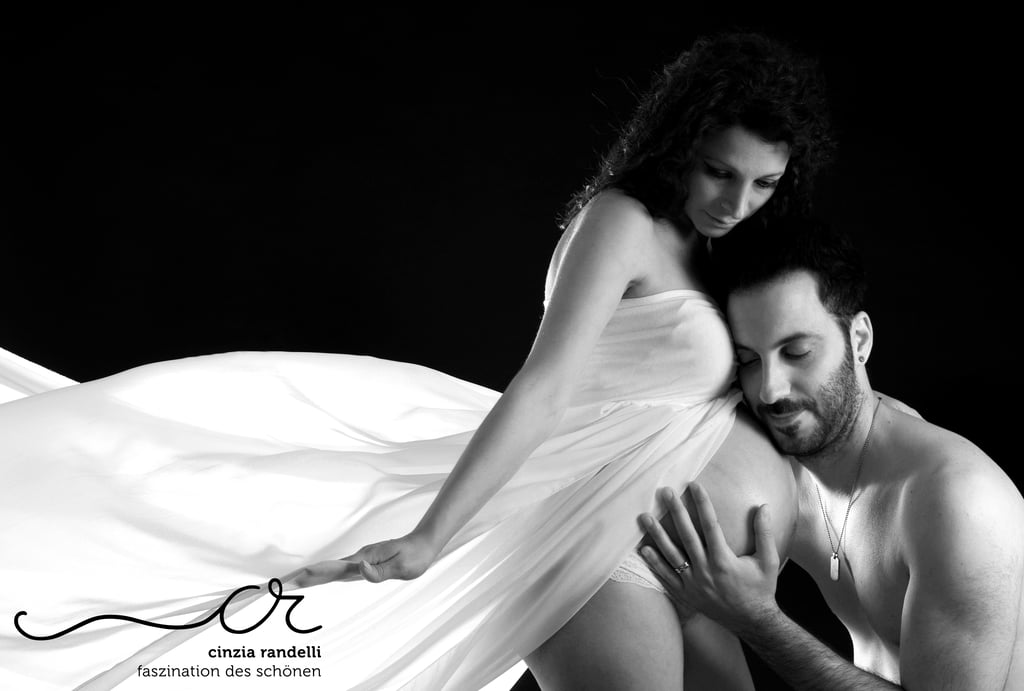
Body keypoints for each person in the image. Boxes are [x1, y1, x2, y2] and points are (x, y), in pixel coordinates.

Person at [0, 32, 832, 691]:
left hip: (680, 552)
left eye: (763, 184)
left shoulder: (721, 247)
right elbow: (543, 388)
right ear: (682, 140)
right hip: (586, 537)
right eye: (719, 172)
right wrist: (433, 536)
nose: (736, 202)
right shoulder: (623, 223)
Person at [641, 217, 1024, 689]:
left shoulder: (957, 501)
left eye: (797, 352)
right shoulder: (788, 465)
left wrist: (757, 619)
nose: (770, 390)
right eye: (749, 360)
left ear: (859, 340)